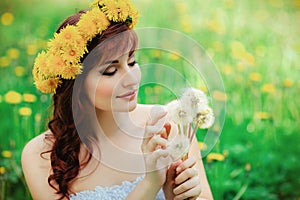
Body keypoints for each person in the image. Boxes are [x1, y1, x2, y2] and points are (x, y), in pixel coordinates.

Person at [21, 0, 213, 199]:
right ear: (75, 84)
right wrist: (151, 182)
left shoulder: (169, 126)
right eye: (110, 71)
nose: (131, 79)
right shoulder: (39, 155)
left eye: (132, 62)